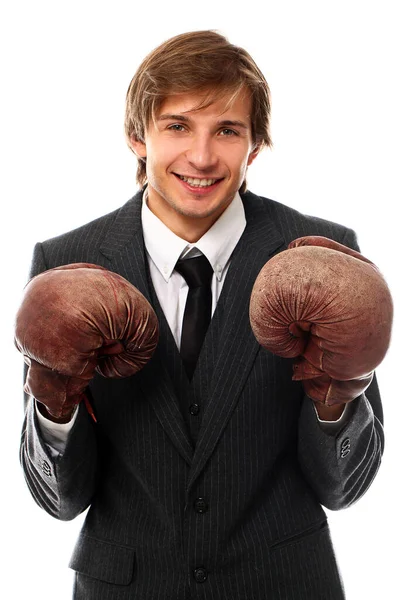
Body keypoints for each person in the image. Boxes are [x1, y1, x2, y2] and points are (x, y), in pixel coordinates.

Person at [19, 30, 385, 599]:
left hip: (284, 586)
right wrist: (54, 400)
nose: (202, 156)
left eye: (227, 130)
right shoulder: (65, 262)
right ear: (137, 137)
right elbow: (59, 501)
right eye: (177, 126)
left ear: (255, 145)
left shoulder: (318, 252)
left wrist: (339, 393)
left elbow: (341, 489)